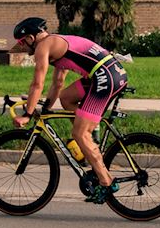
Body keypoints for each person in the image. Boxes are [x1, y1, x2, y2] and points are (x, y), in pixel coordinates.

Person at [10, 17, 128, 203]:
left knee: (80, 134)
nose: (22, 46)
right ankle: (91, 141)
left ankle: (106, 182)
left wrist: (27, 114)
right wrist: (45, 108)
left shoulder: (44, 47)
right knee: (66, 98)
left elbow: (37, 83)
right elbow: (57, 84)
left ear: (32, 37)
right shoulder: (56, 44)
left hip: (105, 77)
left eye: (22, 41)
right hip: (107, 72)